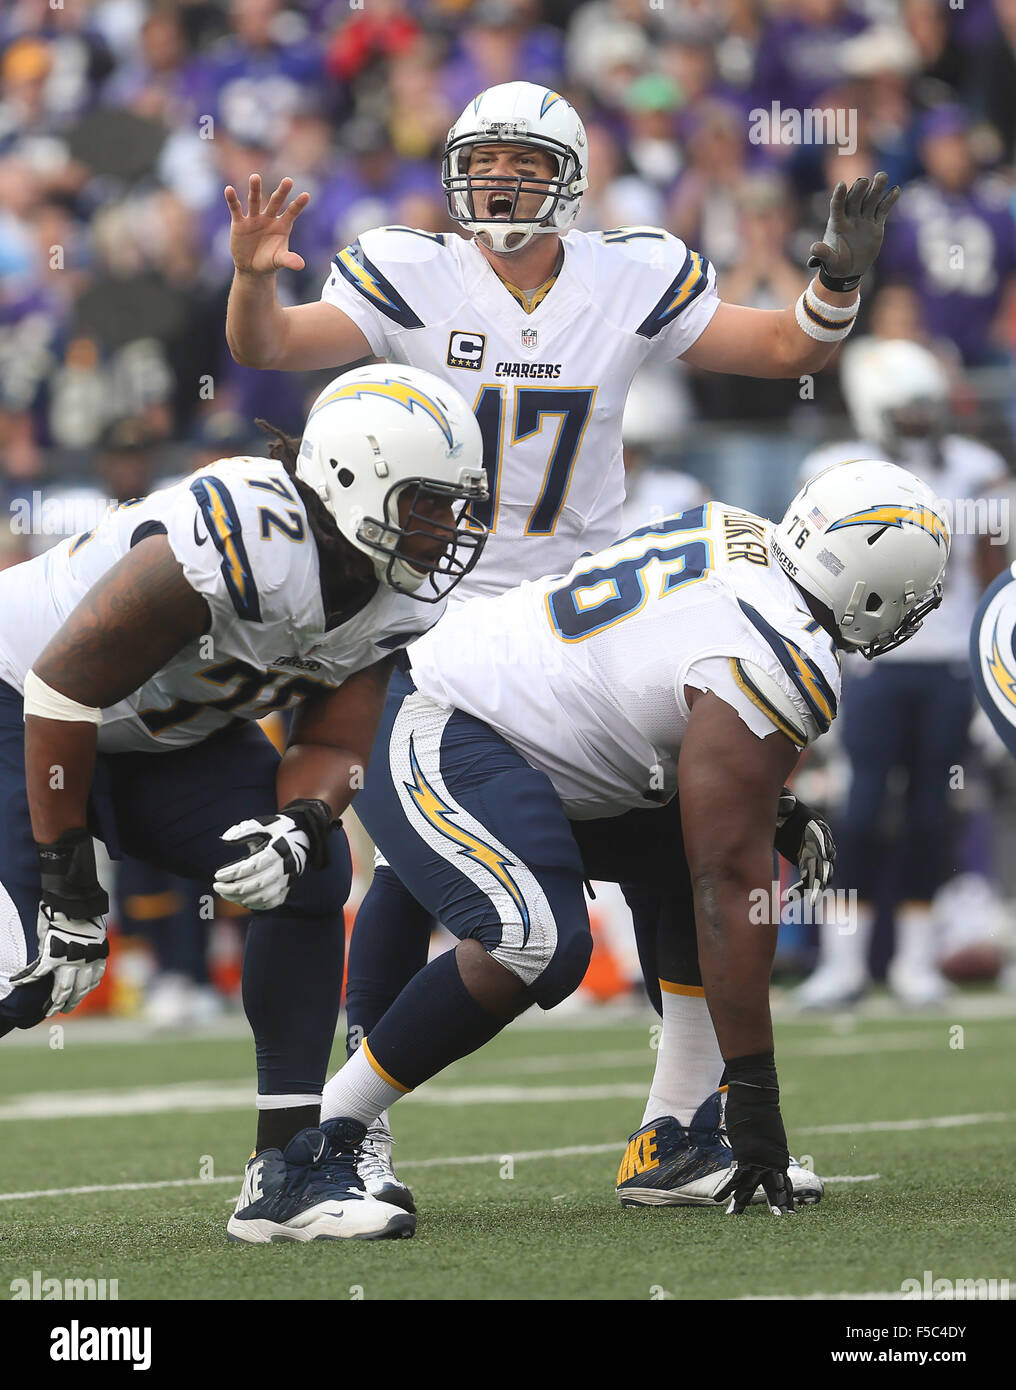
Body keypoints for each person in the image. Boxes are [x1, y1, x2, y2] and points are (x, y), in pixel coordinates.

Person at [223, 80, 900, 1208]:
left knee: (677, 851)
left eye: (525, 165)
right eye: (483, 160)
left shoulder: (629, 271)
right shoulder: (411, 267)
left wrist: (833, 281)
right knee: (416, 870)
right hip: (433, 607)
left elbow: (785, 349)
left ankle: (675, 1132)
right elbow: (273, 345)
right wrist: (251, 277)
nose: (499, 181)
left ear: (571, 180)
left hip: (579, 617)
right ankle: (344, 1128)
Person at [311, 459, 949, 1222]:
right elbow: (729, 880)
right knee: (535, 939)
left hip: (506, 724)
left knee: (693, 854)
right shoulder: (784, 654)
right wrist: (755, 1089)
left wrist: (758, 801)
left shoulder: (738, 528)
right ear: (875, 590)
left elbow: (650, 672)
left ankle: (674, 1136)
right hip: (436, 711)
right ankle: (324, 1135)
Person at [0, 364, 488, 1244]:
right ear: (353, 477)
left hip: (158, 736)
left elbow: (334, 744)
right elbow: (63, 690)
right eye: (428, 503)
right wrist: (68, 882)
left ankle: (287, 1176)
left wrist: (300, 825)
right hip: (22, 708)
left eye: (457, 504)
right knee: (31, 955)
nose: (449, 528)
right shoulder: (244, 531)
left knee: (310, 873)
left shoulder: (393, 591)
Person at [794, 339, 1007, 1008]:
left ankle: (917, 958)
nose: (924, 418)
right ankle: (843, 961)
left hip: (947, 666)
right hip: (868, 667)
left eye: (929, 406)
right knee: (855, 810)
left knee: (930, 811)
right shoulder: (835, 467)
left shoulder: (977, 468)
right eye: (910, 408)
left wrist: (991, 668)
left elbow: (995, 573)